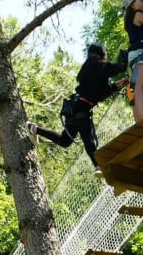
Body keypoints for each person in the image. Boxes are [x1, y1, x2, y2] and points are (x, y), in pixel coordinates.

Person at [26, 43, 127, 171]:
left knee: (65, 141)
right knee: (88, 139)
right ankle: (98, 166)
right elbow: (118, 69)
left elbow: (96, 93)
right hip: (82, 109)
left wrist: (116, 85)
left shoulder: (87, 68)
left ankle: (34, 128)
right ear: (102, 54)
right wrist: (127, 62)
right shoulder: (101, 66)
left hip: (74, 107)